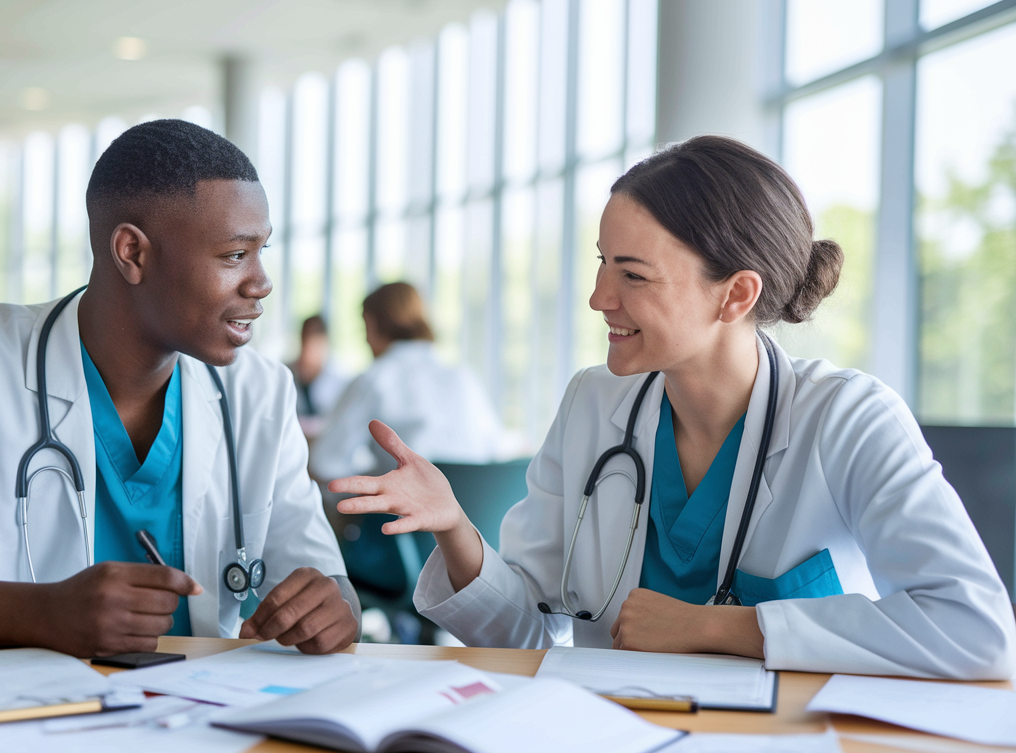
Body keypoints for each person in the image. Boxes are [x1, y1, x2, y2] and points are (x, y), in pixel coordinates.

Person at [330, 136, 1016, 680]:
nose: (600, 297)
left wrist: (718, 627)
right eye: (602, 264)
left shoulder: (848, 418)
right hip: (596, 745)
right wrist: (454, 528)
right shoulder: (593, 403)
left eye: (632, 275)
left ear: (735, 296)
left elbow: (976, 629)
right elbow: (531, 633)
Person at [0, 120, 360, 657]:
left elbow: (326, 581)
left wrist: (335, 609)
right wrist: (42, 614)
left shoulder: (261, 392)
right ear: (132, 252)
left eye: (262, 250)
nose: (262, 282)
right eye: (235, 255)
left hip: (204, 733)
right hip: (7, 730)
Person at [309, 282, 510, 482]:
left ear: (371, 324)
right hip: (473, 512)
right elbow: (496, 450)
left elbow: (325, 464)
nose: (365, 341)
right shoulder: (464, 377)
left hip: (406, 511)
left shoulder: (373, 379)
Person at [288, 314, 349, 437]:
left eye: (314, 344)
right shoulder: (287, 373)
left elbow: (341, 423)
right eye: (306, 342)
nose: (309, 350)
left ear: (325, 343)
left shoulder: (338, 380)